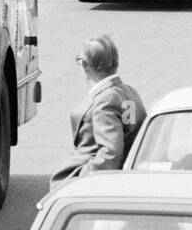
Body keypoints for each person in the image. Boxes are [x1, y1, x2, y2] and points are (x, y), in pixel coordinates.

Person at [48, 35, 147, 189]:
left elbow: (110, 153)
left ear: (86, 65)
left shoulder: (105, 101)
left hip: (97, 180)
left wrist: (80, 179)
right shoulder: (129, 92)